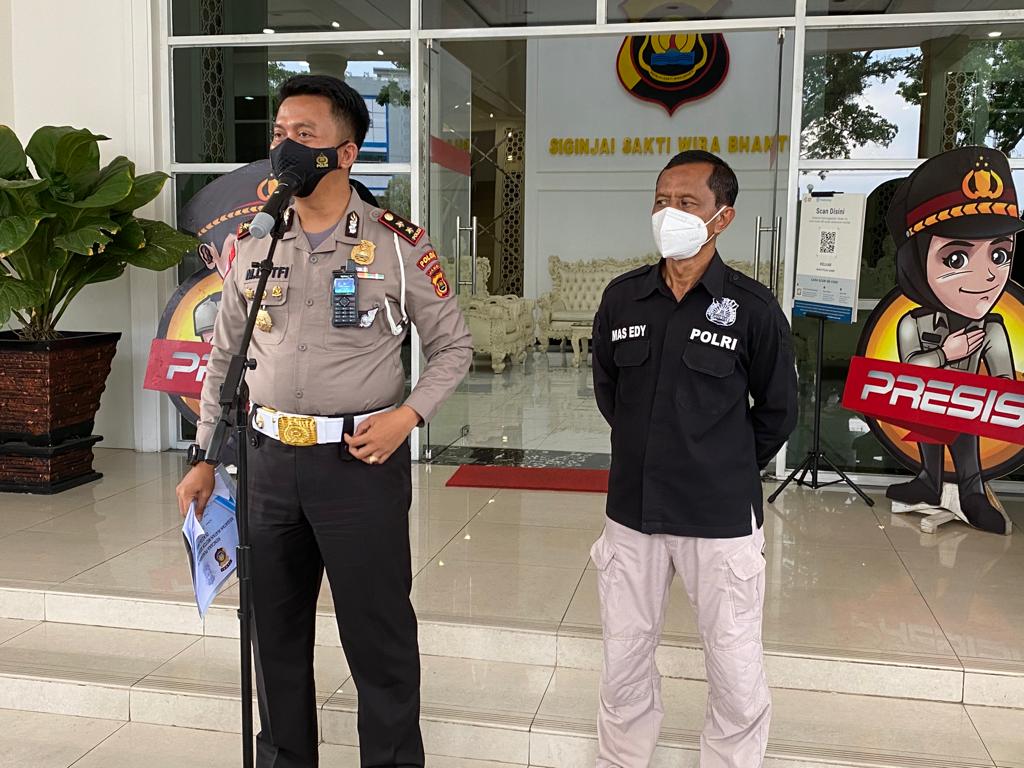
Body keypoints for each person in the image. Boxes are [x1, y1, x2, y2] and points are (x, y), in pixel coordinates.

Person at [175, 74, 473, 768]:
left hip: (359, 465)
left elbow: (454, 346)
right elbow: (225, 356)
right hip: (267, 465)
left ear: (345, 153)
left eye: (303, 134)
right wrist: (204, 456)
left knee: (378, 636)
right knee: (274, 636)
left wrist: (408, 415)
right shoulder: (254, 243)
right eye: (279, 133)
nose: (286, 146)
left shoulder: (396, 244)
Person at [590, 150, 798, 767]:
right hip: (633, 511)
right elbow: (610, 393)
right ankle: (622, 758)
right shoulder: (624, 298)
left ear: (722, 217)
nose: (669, 213)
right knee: (624, 656)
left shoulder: (752, 308)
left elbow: (778, 411)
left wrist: (719, 463)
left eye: (687, 203)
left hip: (719, 517)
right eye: (661, 200)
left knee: (734, 664)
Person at [884, 146, 1021, 535]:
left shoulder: (990, 329)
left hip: (967, 409)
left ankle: (971, 490)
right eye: (956, 259)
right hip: (925, 402)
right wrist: (946, 353)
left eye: (1000, 254)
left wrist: (984, 394)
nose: (987, 275)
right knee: (927, 406)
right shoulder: (912, 323)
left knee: (960, 414)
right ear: (916, 260)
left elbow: (1004, 385)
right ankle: (929, 479)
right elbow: (910, 370)